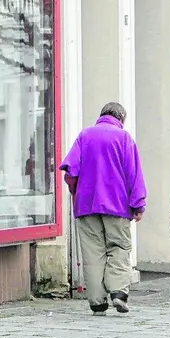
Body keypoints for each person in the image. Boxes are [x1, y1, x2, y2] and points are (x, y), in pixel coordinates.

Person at [59, 102, 147, 315]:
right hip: (117, 205)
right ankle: (118, 293)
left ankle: (97, 303)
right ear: (121, 119)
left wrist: (76, 191)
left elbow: (70, 172)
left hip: (86, 205)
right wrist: (138, 204)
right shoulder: (124, 138)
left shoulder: (85, 135)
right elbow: (134, 174)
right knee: (119, 248)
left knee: (93, 253)